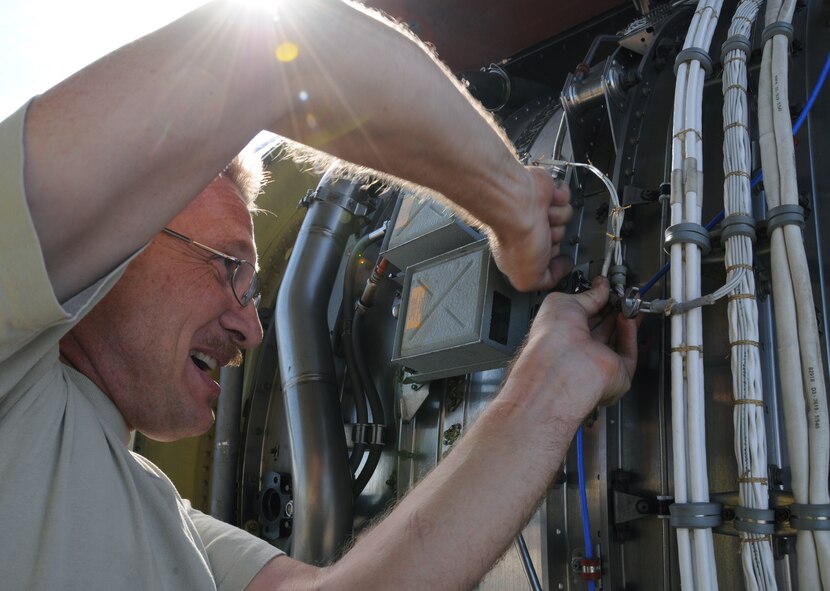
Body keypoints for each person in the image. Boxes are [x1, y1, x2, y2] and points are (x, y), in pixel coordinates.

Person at [0, 1, 638, 589]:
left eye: (253, 290)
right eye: (227, 266)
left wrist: (551, 384)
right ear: (125, 240)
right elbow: (265, 47)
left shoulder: (165, 517)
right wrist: (513, 202)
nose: (251, 332)